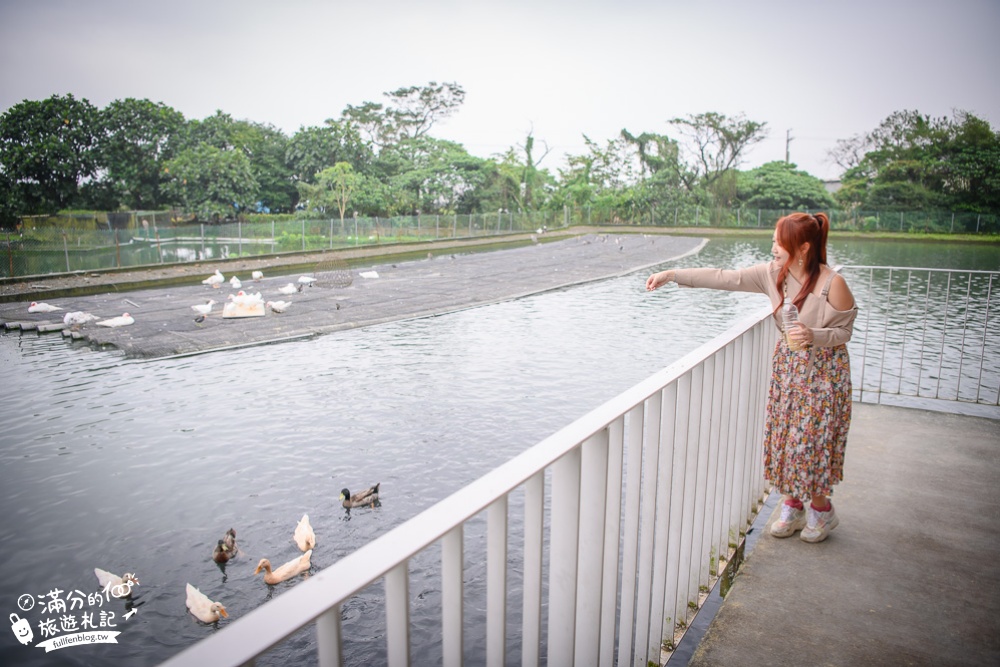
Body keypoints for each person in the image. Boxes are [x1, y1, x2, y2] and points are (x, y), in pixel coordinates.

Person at [645, 212, 858, 543]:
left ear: (802, 248)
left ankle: (822, 510)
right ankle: (794, 504)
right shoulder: (772, 274)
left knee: (814, 442)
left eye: (778, 241)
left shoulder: (833, 283)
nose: (772, 246)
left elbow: (844, 332)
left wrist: (814, 335)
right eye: (773, 239)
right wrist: (672, 274)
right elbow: (724, 277)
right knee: (785, 439)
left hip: (825, 374)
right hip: (788, 371)